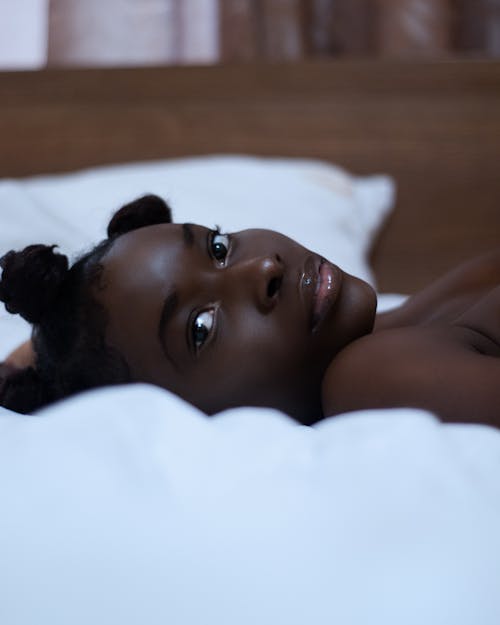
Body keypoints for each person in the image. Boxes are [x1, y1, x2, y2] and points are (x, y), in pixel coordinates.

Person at [0, 194, 499, 426]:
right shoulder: (369, 376)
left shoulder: (413, 323)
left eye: (218, 248)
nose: (264, 267)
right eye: (200, 327)